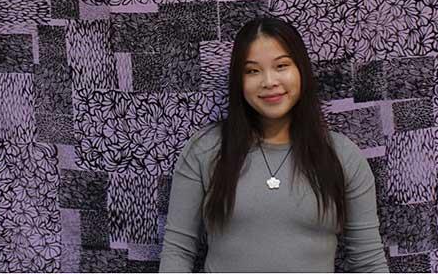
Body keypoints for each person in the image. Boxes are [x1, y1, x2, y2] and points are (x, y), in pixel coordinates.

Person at [159, 17, 389, 273]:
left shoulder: (342, 155)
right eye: (252, 71)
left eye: (281, 66)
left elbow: (369, 263)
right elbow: (178, 251)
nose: (269, 81)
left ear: (301, 70)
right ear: (239, 81)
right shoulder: (206, 149)